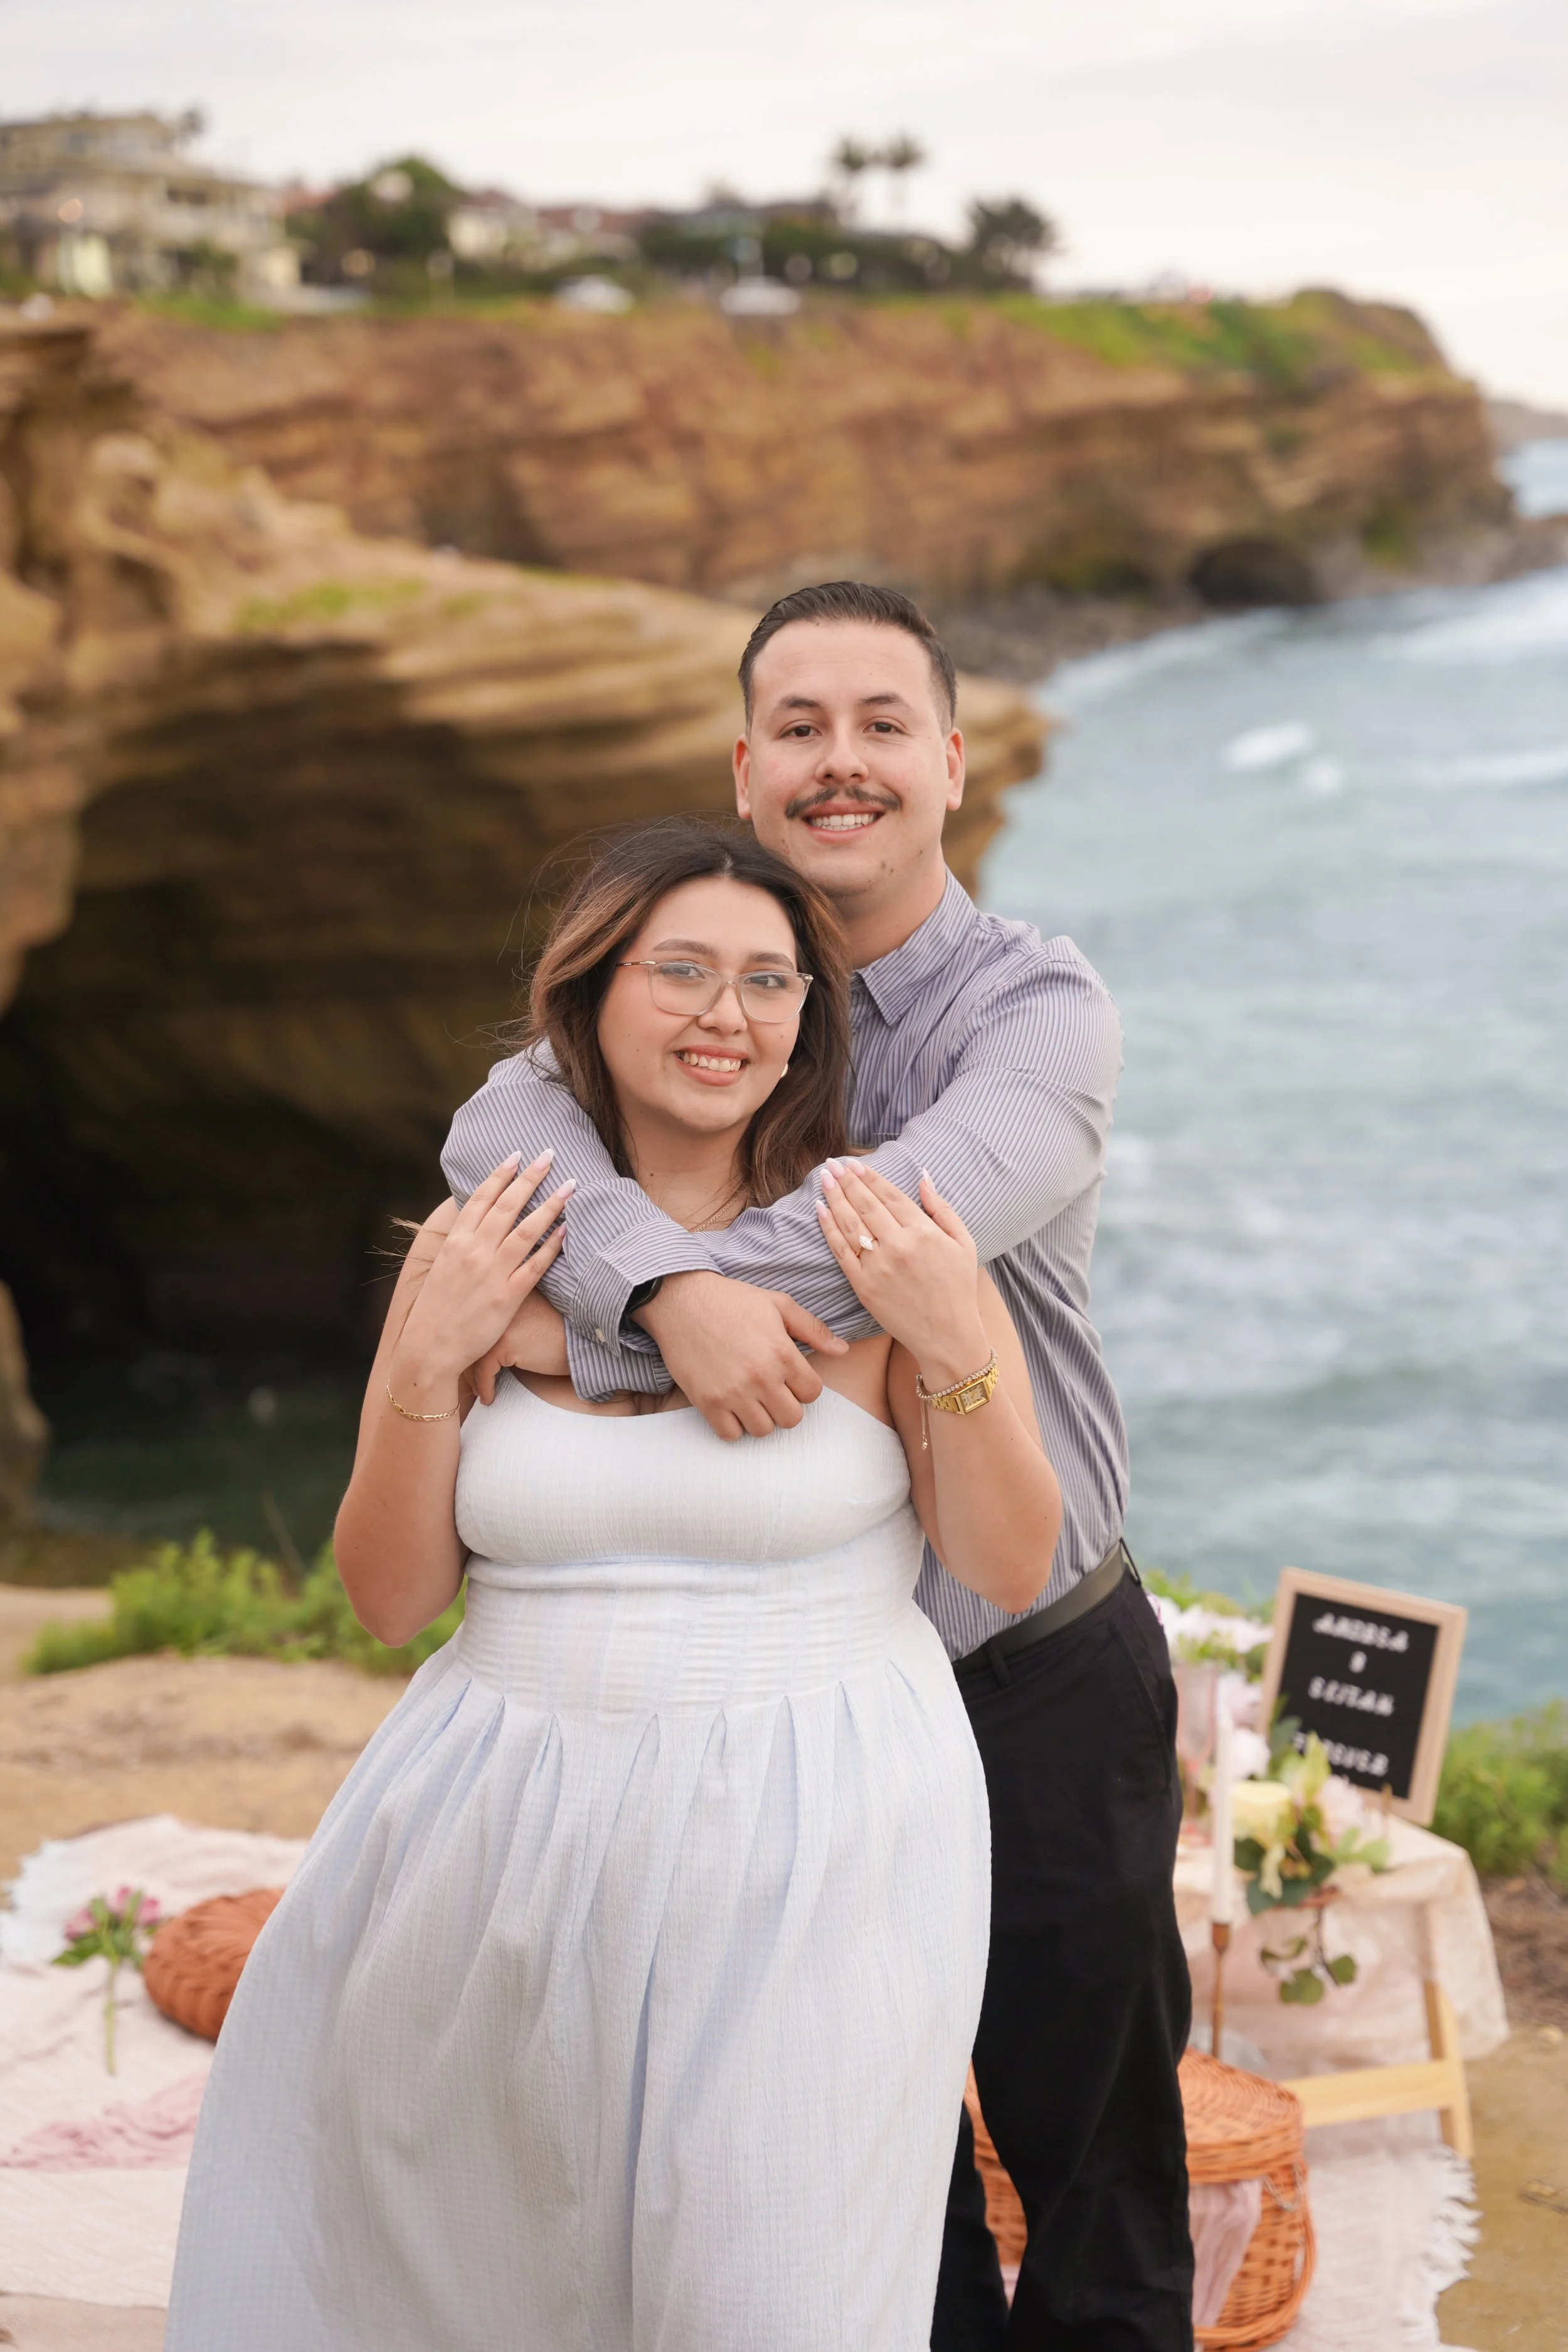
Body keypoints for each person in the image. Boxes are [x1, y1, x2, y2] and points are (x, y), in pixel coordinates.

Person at [165, 818, 1061, 2352]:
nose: (729, 1015)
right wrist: (440, 1353)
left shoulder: (875, 1240)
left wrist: (962, 1345)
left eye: (770, 983)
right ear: (589, 997)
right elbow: (388, 1598)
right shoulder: (485, 1246)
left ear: (805, 1024)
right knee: (468, 2271)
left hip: (813, 1829)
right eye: (685, 972)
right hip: (495, 1824)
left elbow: (1002, 1558)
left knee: (769, 2291)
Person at [444, 582, 1195, 2349]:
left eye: (878, 723)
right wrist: (667, 1284)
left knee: (1092, 2161)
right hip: (786, 1704)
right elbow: (496, 1124)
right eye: (797, 724)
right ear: (745, 762)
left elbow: (898, 1233)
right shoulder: (691, 991)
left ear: (949, 758)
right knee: (847, 2166)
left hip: (1031, 1670)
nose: (836, 759)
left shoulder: (1039, 1009)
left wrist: (622, 1310)